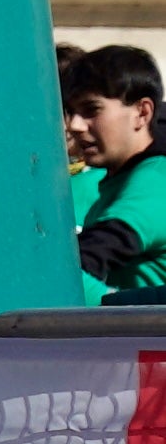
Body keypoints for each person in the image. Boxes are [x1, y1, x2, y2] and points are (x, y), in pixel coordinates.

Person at [68, 43, 166, 302]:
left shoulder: (157, 180)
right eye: (72, 112)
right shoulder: (119, 180)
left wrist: (113, 311)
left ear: (142, 113)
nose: (75, 125)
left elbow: (71, 268)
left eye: (91, 110)